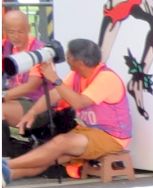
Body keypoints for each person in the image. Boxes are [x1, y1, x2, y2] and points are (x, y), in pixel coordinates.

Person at [4, 39, 132, 180]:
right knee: (48, 158)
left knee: (60, 142)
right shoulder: (77, 74)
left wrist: (55, 79)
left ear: (80, 62)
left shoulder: (106, 78)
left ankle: (6, 164)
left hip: (111, 137)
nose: (66, 58)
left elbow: (78, 103)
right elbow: (54, 95)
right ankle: (8, 174)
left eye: (69, 56)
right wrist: (32, 113)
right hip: (88, 131)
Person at [2, 9, 50, 129]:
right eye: (11, 32)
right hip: (14, 99)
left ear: (28, 28)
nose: (16, 36)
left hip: (38, 104)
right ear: (5, 31)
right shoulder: (4, 46)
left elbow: (31, 86)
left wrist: (3, 96)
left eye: (20, 32)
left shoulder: (39, 51)